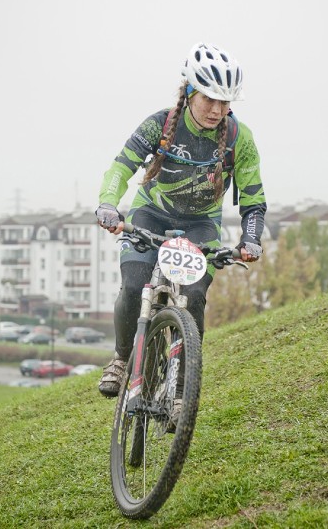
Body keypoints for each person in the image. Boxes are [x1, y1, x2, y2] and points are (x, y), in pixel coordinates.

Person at [94, 42, 267, 421]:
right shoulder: (160, 123)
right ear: (189, 90)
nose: (217, 110)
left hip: (200, 224)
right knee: (134, 282)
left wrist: (250, 239)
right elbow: (121, 167)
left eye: (225, 102)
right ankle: (123, 358)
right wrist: (108, 204)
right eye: (209, 99)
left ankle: (181, 389)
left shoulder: (240, 138)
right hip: (150, 214)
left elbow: (253, 201)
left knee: (193, 297)